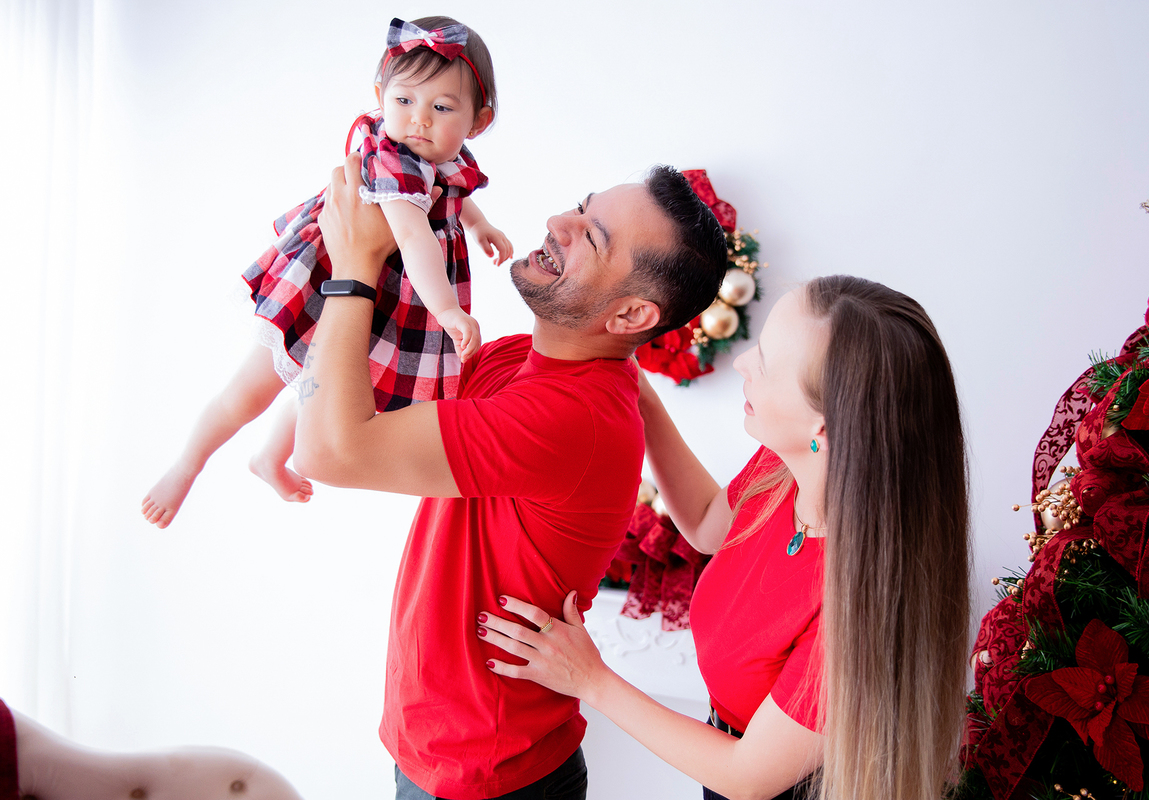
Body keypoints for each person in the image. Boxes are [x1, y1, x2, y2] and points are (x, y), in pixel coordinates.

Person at [291, 154, 727, 799]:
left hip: (483, 775)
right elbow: (365, 398)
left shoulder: (567, 418)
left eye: (591, 235)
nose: (557, 222)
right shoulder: (524, 361)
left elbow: (331, 452)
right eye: (581, 207)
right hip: (446, 749)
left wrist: (354, 270)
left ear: (632, 318)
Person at [478, 277, 972, 800]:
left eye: (767, 362)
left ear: (822, 429)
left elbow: (747, 776)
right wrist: (632, 384)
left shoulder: (858, 608)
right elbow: (709, 521)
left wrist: (591, 680)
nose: (742, 364)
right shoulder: (784, 470)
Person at [142, 16, 511, 528]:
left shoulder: (439, 158)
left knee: (334, 384)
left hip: (384, 295)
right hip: (328, 283)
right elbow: (412, 234)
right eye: (403, 101)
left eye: (441, 107)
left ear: (478, 122)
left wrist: (481, 224)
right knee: (253, 388)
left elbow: (450, 196)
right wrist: (447, 309)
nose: (419, 120)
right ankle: (186, 466)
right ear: (380, 94)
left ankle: (269, 456)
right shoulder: (394, 161)